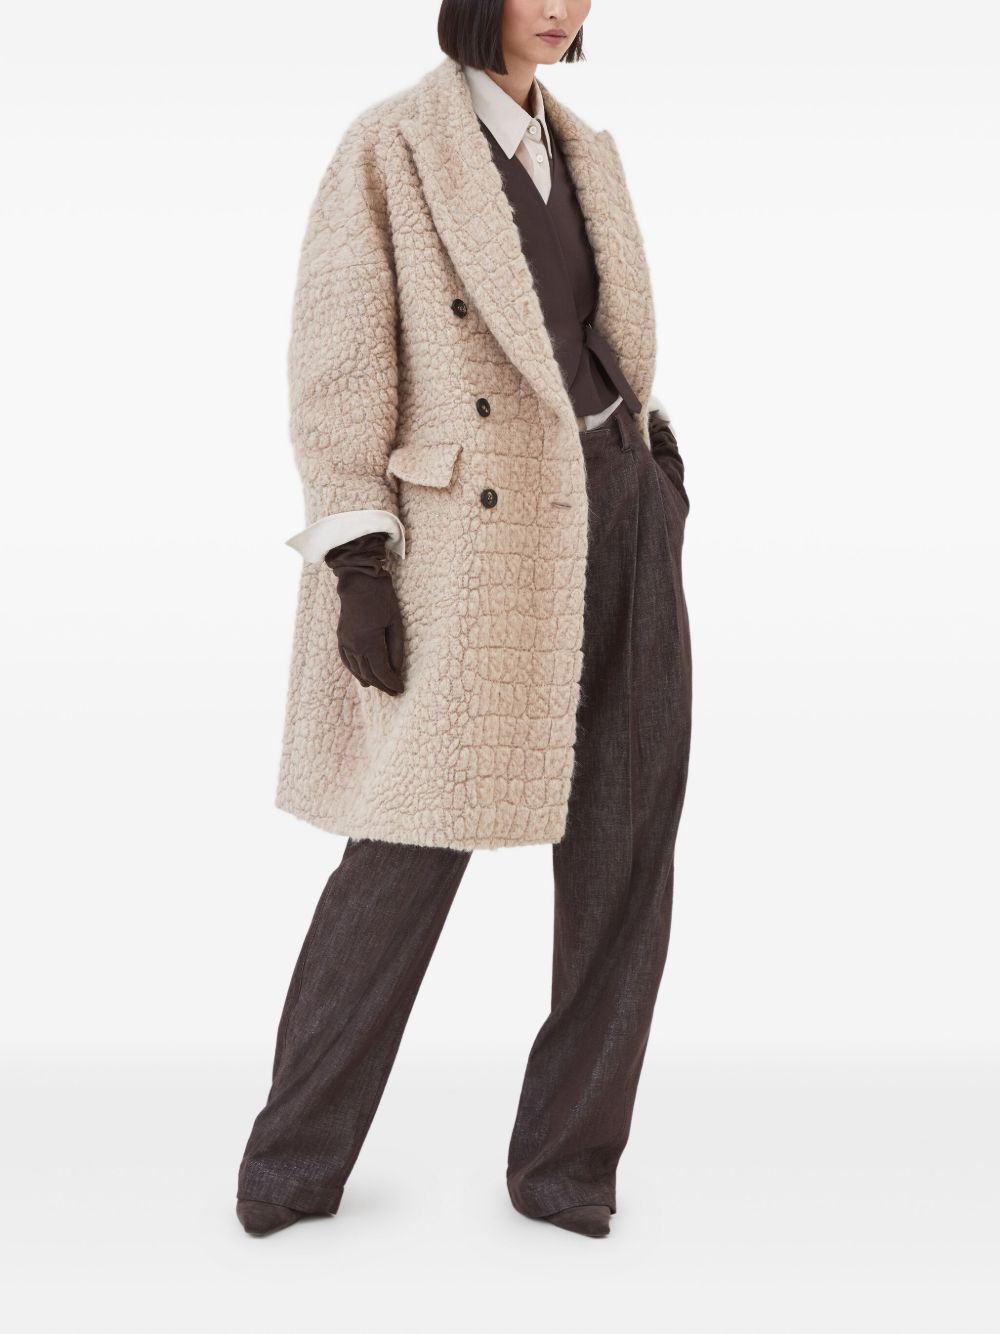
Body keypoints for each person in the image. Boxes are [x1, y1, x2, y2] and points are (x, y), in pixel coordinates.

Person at [236, 0, 692, 1242]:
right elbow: (337, 366)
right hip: (477, 545)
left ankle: (566, 1166)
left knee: (625, 851)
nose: (557, 5)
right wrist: (358, 558)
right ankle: (290, 1160)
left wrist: (658, 472)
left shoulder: (586, 148)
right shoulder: (390, 147)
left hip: (616, 512)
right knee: (405, 845)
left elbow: (598, 335)